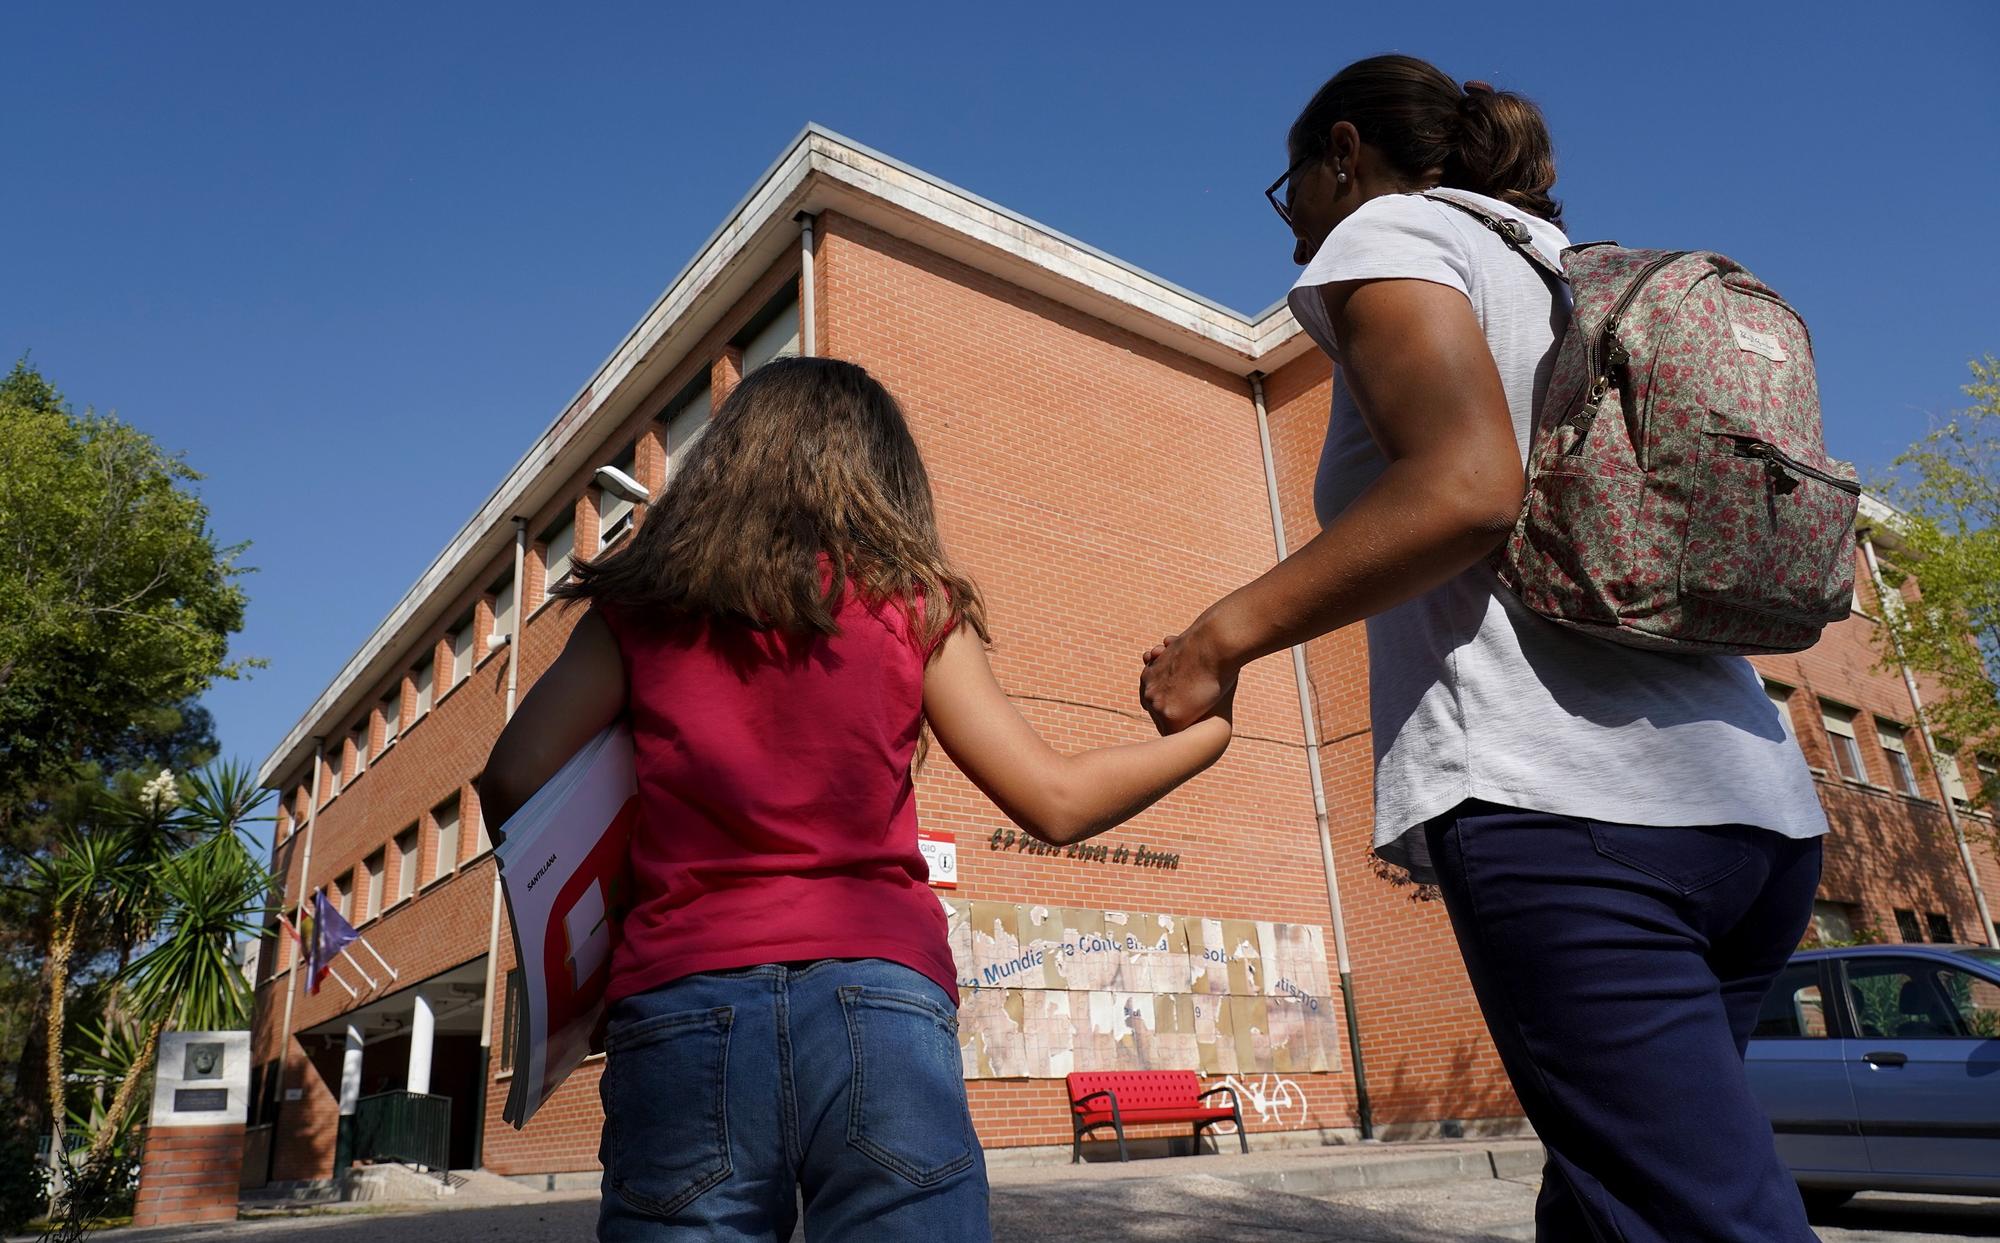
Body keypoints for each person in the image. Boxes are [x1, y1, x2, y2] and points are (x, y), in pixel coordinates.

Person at [1139, 54, 1827, 1242]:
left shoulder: (1388, 231)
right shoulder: (1563, 265)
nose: (1292, 221)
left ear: (1341, 154)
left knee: (1702, 1216)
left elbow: (1463, 487)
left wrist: (1220, 635)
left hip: (1570, 813)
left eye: (1287, 188)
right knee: (1611, 1194)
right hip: (1753, 810)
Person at [479, 356, 1232, 1243]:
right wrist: (1208, 735)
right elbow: (1055, 799)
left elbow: (513, 779)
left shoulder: (642, 609)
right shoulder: (913, 608)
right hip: (881, 1003)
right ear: (884, 475)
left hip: (683, 1000)